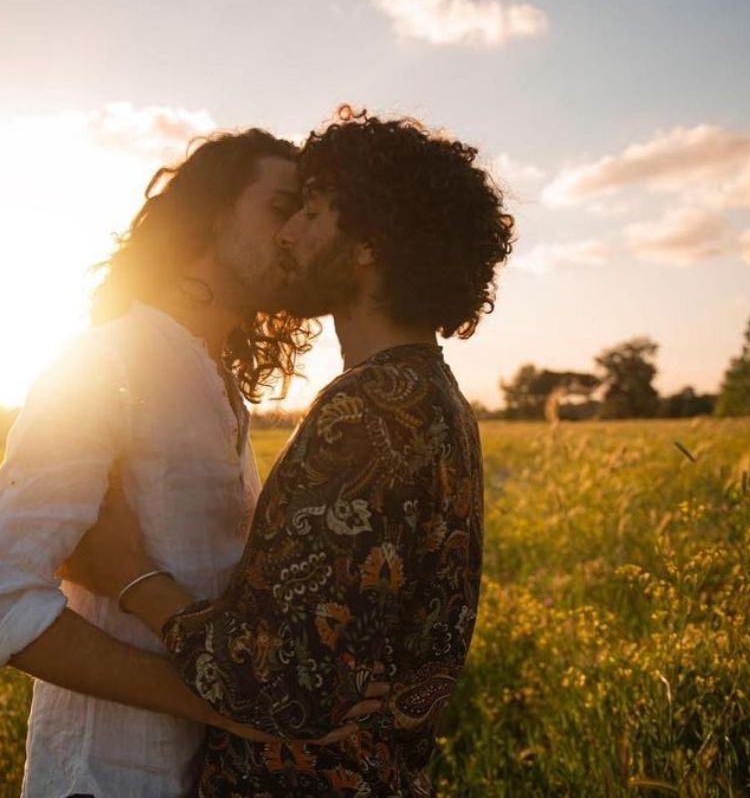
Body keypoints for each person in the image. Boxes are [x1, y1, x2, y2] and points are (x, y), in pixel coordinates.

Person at [59, 106, 515, 796]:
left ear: (366, 242)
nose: (289, 235)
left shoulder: (368, 408)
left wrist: (128, 574)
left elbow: (269, 687)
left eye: (312, 212)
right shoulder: (438, 398)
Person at [0, 128, 384, 798]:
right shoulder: (105, 360)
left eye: (307, 214)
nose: (298, 232)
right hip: (108, 777)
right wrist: (221, 703)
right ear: (210, 214)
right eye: (281, 208)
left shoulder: (221, 386)